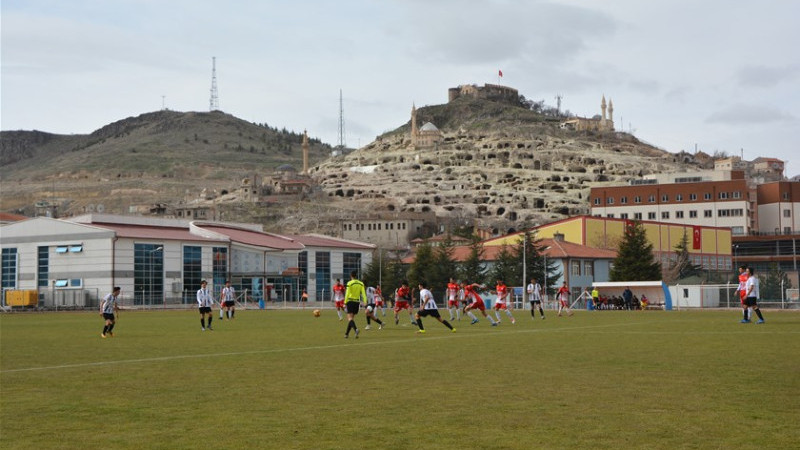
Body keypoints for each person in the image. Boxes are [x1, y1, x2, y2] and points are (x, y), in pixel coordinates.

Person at [344, 270, 367, 338]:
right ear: (356, 275)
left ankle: (356, 329)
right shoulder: (361, 283)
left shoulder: (349, 283)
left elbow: (347, 293)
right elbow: (363, 293)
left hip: (350, 301)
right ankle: (346, 334)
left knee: (349, 318)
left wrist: (345, 302)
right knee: (351, 319)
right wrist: (365, 301)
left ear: (351, 276)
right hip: (357, 302)